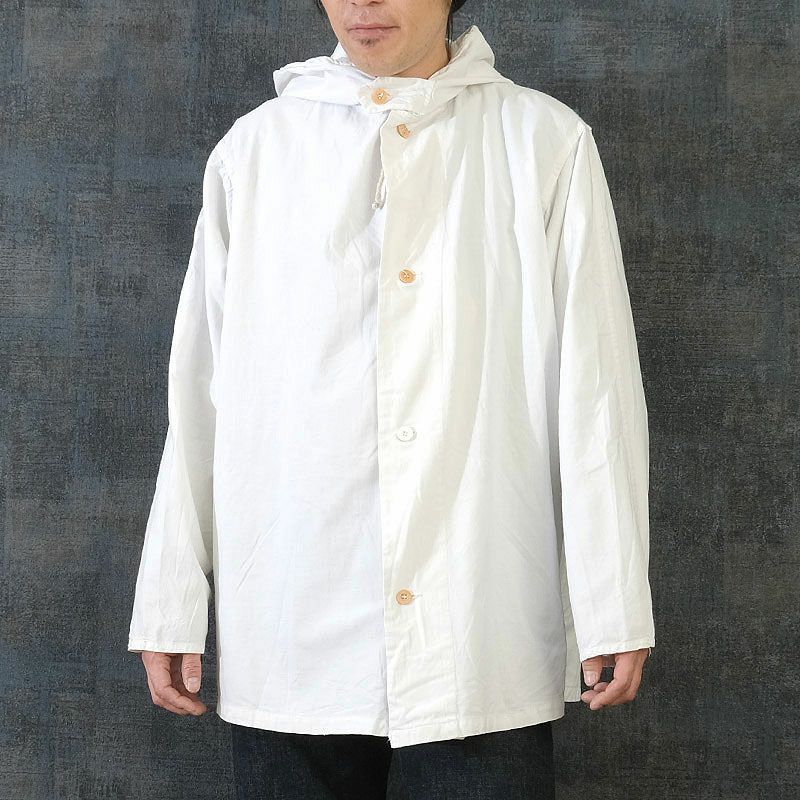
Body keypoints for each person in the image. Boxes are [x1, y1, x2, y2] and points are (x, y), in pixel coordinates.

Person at [127, 0, 656, 797]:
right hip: (293, 616)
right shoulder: (258, 149)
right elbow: (201, 391)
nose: (363, 3)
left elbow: (597, 389)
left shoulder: (542, 140)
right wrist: (170, 597)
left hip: (478, 620)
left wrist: (612, 600)